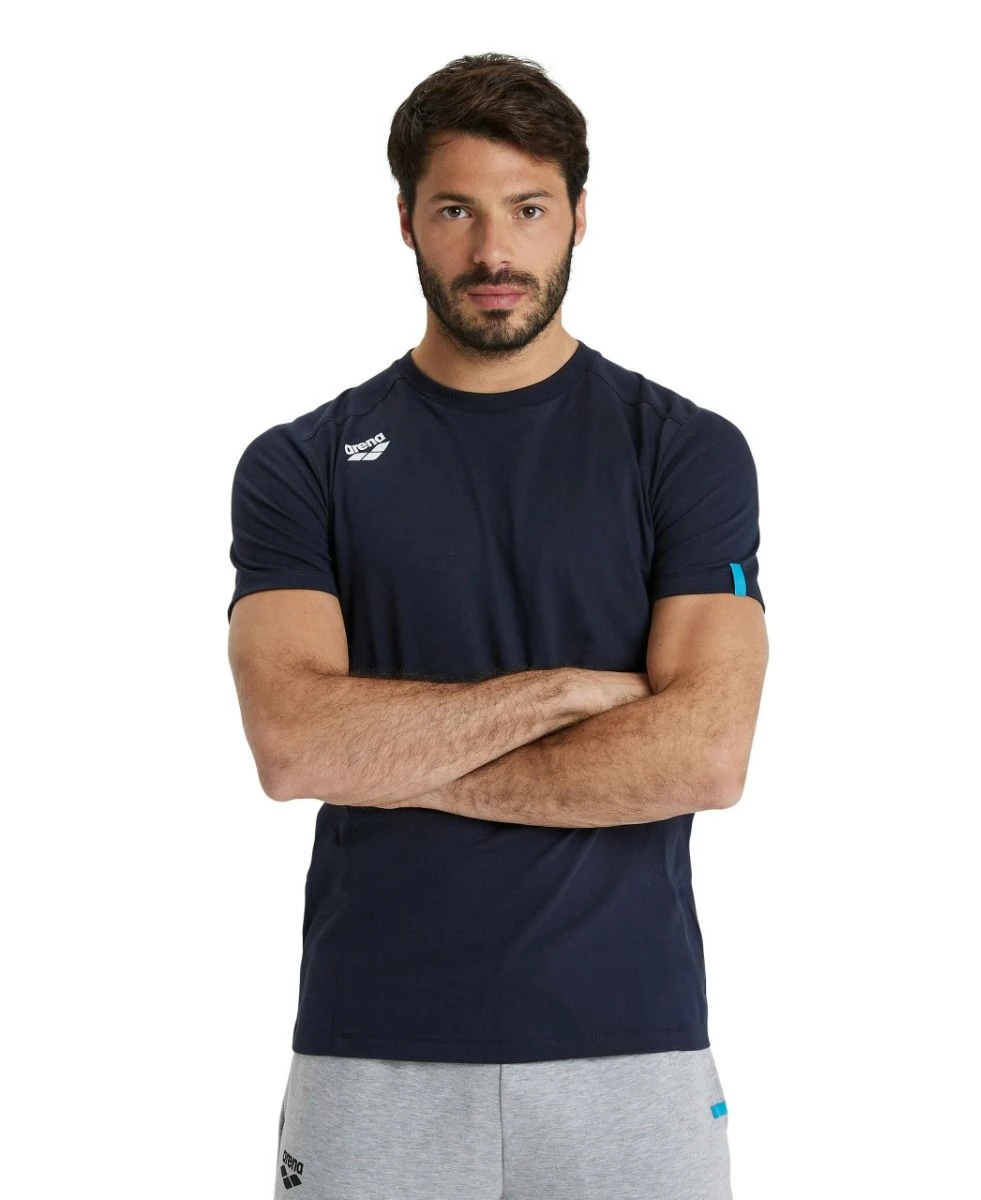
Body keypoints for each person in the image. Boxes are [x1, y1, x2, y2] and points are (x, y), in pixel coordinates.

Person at [227, 51, 768, 1200]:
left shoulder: (683, 451)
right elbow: (295, 748)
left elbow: (707, 755)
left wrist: (392, 758)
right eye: (455, 211)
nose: (493, 252)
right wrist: (569, 694)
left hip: (633, 1048)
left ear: (579, 215)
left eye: (527, 208)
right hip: (373, 1051)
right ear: (406, 223)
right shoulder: (302, 465)